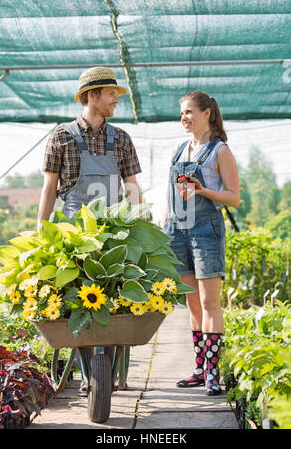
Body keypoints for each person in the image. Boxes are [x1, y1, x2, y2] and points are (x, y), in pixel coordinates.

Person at [38, 66, 143, 394]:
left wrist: (139, 226)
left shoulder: (121, 138)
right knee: (78, 302)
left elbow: (132, 187)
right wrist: (41, 233)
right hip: (73, 237)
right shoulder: (62, 136)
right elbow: (49, 189)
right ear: (92, 95)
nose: (116, 100)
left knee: (111, 303)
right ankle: (91, 376)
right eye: (111, 94)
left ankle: (103, 374)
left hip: (114, 235)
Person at [164, 90, 240, 396]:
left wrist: (204, 191)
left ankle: (212, 373)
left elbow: (234, 198)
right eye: (182, 113)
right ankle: (199, 368)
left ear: (207, 113)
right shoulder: (180, 150)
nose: (184, 117)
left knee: (209, 302)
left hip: (206, 230)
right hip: (177, 229)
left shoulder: (220, 151)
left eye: (189, 112)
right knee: (191, 302)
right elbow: (172, 194)